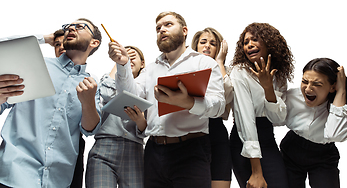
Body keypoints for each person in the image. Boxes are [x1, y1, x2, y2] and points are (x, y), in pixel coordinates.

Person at [108, 11, 225, 188]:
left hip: (192, 150)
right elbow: (131, 97)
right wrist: (123, 65)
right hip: (154, 152)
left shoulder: (204, 63)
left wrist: (189, 103)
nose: (162, 29)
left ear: (184, 30)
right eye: (158, 28)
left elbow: (219, 107)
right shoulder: (150, 70)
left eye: (168, 25)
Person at [0, 18, 102, 188]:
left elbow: (90, 129)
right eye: (68, 27)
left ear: (94, 42)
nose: (71, 29)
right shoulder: (36, 64)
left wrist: (88, 102)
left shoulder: (92, 84)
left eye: (79, 27)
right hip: (14, 171)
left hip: (58, 180)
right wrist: (43, 38)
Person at [229, 22, 294, 188]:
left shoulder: (278, 76)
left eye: (255, 40)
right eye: (245, 42)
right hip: (244, 139)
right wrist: (256, 171)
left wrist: (268, 87)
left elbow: (278, 120)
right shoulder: (239, 72)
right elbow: (246, 119)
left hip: (267, 138)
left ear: (269, 43)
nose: (249, 45)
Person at [279, 58, 347, 188]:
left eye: (317, 84)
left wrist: (341, 90)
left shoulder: (343, 108)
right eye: (305, 81)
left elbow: (333, 134)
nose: (308, 89)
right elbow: (273, 119)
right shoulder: (292, 97)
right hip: (292, 150)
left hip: (324, 156)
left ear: (332, 87)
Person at [86, 45, 146, 188]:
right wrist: (120, 66)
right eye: (125, 56)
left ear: (142, 63)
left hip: (135, 151)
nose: (128, 59)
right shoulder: (107, 81)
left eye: (133, 57)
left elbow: (148, 127)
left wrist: (140, 121)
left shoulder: (147, 86)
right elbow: (108, 93)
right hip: (104, 147)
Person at [191, 27, 233, 188]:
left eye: (212, 43)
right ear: (196, 46)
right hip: (192, 133)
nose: (207, 46)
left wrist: (220, 62)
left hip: (216, 132)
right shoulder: (184, 68)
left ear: (219, 49)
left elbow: (226, 96)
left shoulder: (225, 71)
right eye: (203, 42)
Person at [47, 28, 86, 188]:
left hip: (70, 152)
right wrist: (43, 38)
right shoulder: (41, 69)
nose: (61, 46)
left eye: (64, 42)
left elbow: (89, 127)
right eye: (57, 44)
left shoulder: (87, 82)